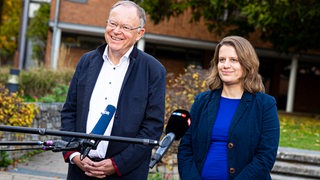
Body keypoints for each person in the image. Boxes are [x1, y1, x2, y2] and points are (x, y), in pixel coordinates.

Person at [60, 1, 166, 179]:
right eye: (113, 24)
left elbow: (152, 127)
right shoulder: (86, 62)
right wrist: (73, 154)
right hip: (80, 170)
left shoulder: (153, 70)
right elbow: (70, 111)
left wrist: (117, 164)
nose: (117, 31)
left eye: (125, 27)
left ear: (139, 33)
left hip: (125, 173)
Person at [177, 36, 280, 180]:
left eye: (234, 60)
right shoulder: (202, 101)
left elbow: (265, 157)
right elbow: (185, 148)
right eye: (221, 60)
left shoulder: (265, 105)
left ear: (247, 64)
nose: (225, 65)